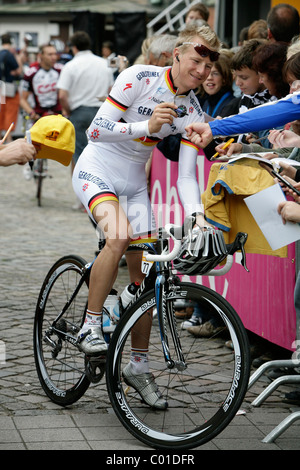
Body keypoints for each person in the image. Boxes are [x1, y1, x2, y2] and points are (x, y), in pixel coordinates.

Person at [72, 24, 221, 408]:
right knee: (118, 237)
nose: (203, 72)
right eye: (197, 61)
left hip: (135, 184)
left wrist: (198, 217)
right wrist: (148, 126)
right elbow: (95, 130)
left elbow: (187, 175)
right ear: (177, 54)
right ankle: (89, 324)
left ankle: (138, 365)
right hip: (98, 169)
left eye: (208, 66)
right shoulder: (138, 77)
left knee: (147, 279)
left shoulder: (192, 111)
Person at [57, 31, 114, 179]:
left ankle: (81, 196)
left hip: (79, 113)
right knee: (101, 155)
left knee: (79, 155)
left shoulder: (70, 66)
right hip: (102, 113)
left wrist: (68, 111)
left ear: (73, 47)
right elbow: (111, 91)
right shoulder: (104, 64)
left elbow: (62, 95)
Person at [20, 43, 63, 121]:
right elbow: (22, 99)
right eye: (50, 54)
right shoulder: (31, 73)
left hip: (58, 115)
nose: (54, 57)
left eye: (54, 54)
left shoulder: (61, 70)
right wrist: (32, 113)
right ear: (40, 56)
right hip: (39, 116)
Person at [0, 33, 22, 143]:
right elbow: (18, 70)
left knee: (1, 113)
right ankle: (8, 139)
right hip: (9, 88)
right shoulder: (9, 55)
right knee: (10, 113)